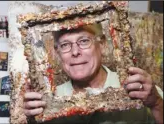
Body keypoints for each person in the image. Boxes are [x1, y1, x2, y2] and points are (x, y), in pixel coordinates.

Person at [23, 23, 163, 124]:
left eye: (84, 41)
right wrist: (30, 120)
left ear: (101, 45)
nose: (75, 52)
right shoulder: (45, 100)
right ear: (57, 52)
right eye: (65, 45)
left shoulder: (140, 89)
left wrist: (156, 104)